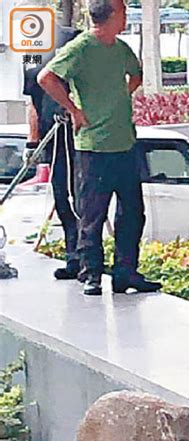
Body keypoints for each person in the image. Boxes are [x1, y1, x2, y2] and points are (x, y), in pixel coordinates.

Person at [38, 0, 160, 296]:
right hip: (93, 146)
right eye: (124, 12)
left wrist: (120, 97)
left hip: (125, 143)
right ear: (113, 15)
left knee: (132, 212)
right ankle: (90, 273)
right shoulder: (80, 49)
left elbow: (136, 74)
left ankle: (125, 273)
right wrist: (74, 110)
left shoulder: (121, 49)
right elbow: (47, 77)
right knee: (92, 213)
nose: (126, 17)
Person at [23, 20, 81, 280]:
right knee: (61, 196)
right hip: (52, 138)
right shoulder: (31, 51)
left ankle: (88, 257)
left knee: (82, 196)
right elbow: (33, 102)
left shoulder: (74, 40)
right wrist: (32, 144)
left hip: (79, 134)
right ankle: (73, 257)